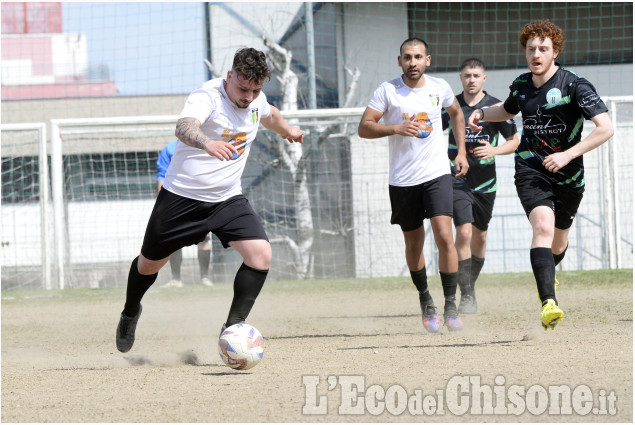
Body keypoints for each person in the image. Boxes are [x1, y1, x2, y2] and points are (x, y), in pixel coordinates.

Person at [116, 47, 305, 353]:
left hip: (227, 199)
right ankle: (130, 311)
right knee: (149, 265)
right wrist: (207, 142)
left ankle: (232, 330)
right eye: (243, 88)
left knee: (261, 255)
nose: (247, 96)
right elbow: (184, 127)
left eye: (255, 90)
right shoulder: (208, 96)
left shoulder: (256, 100)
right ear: (230, 76)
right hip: (182, 197)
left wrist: (288, 131)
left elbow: (270, 115)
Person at [467, 20, 614, 330]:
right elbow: (506, 111)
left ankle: (550, 276)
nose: (536, 53)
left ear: (555, 52)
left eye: (543, 49)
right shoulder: (521, 85)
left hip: (569, 175)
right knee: (543, 227)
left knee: (558, 242)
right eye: (531, 48)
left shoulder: (575, 85)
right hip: (530, 168)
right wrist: (481, 113)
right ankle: (548, 302)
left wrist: (567, 154)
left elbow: (606, 128)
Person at [358, 37, 469, 333]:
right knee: (414, 242)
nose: (413, 62)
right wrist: (396, 127)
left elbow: (457, 113)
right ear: (400, 61)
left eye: (418, 57)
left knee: (445, 236)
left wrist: (460, 151)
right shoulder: (388, 90)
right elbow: (364, 127)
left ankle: (450, 305)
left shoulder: (440, 88)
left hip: (437, 174)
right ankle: (425, 300)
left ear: (427, 60)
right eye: (407, 57)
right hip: (403, 180)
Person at [441, 58, 520, 314]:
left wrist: (494, 150)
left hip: (486, 182)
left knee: (480, 235)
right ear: (461, 78)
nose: (471, 79)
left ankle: (469, 287)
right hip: (457, 179)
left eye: (476, 75)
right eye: (466, 75)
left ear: (483, 78)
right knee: (463, 232)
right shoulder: (452, 106)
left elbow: (514, 141)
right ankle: (465, 294)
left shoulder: (496, 107)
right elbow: (431, 132)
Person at [156, 140, 213, 288]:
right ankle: (176, 280)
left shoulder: (206, 147)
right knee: (174, 241)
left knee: (203, 240)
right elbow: (162, 176)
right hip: (175, 202)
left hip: (198, 200)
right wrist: (163, 205)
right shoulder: (169, 149)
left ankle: (204, 278)